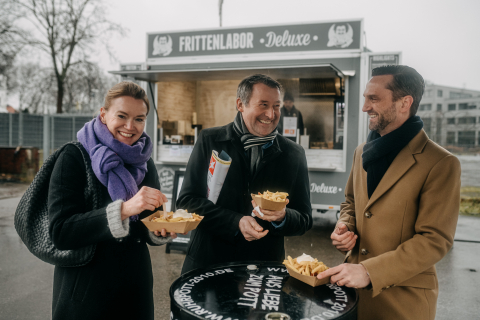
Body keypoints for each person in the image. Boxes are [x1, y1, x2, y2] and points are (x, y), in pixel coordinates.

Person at [317, 65, 461, 320]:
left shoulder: (441, 163)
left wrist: (369, 271)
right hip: (352, 298)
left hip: (403, 304)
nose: (364, 107)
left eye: (374, 99)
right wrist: (345, 225)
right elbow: (351, 202)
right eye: (365, 98)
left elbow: (435, 240)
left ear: (405, 102)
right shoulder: (362, 151)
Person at [48, 81, 176, 320]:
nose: (130, 126)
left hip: (135, 290)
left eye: (139, 118)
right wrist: (125, 210)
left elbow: (148, 220)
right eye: (122, 116)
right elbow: (60, 232)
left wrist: (162, 229)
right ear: (103, 114)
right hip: (86, 293)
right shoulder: (73, 157)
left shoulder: (144, 160)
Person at [177, 74, 312, 274]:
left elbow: (304, 219)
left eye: (276, 106)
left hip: (264, 268)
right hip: (209, 263)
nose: (271, 114)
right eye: (263, 105)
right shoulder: (210, 141)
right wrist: (235, 222)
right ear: (241, 104)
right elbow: (187, 201)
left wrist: (282, 217)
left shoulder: (294, 153)